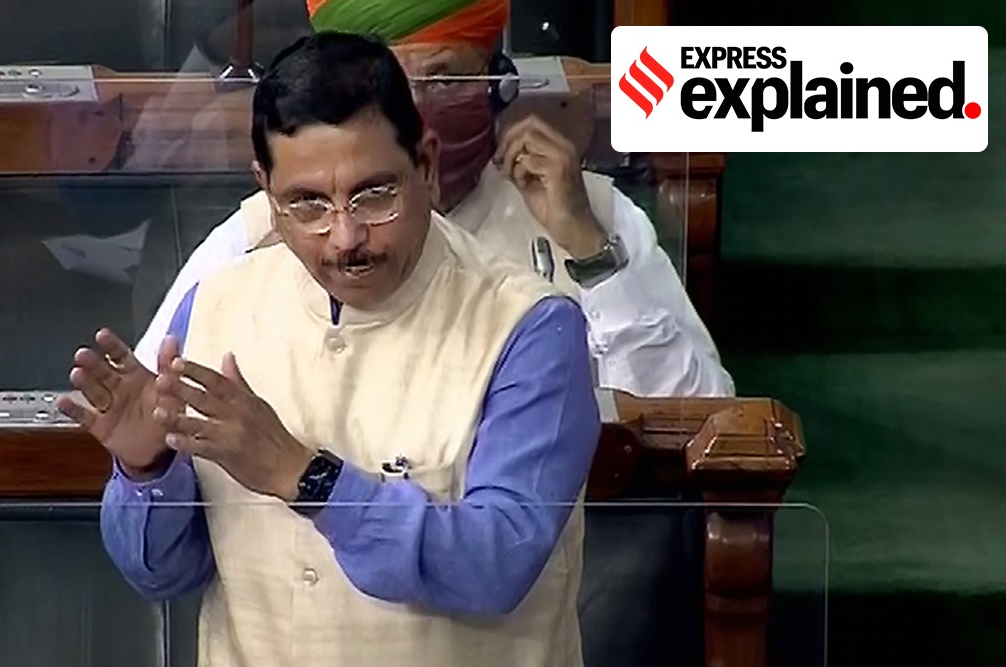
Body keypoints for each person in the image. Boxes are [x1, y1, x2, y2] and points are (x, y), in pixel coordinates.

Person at [58, 32, 601, 667]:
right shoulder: (215, 306)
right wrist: (147, 472)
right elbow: (163, 574)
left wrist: (303, 476)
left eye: (375, 194)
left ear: (426, 166)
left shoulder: (530, 326)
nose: (346, 237)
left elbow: (498, 563)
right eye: (307, 203)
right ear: (267, 194)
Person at [132, 0, 734, 399]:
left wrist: (591, 253)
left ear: (499, 80)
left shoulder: (589, 211)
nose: (419, 109)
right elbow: (145, 407)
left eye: (446, 78)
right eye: (395, 86)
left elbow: (698, 409)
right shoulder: (264, 233)